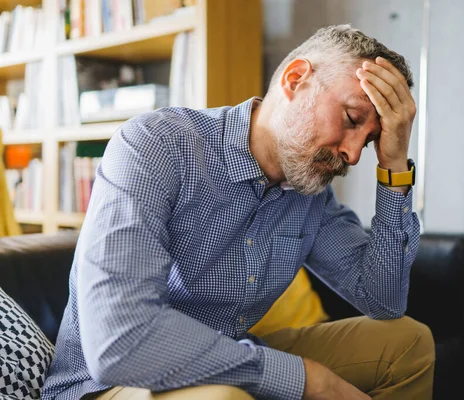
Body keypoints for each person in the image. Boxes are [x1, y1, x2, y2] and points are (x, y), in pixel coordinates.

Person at [42, 25, 434, 400]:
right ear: (296, 79)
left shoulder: (309, 193)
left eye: (368, 142)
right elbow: (118, 341)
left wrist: (395, 163)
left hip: (228, 358)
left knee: (407, 342)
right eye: (351, 119)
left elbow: (384, 301)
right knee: (223, 396)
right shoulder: (157, 146)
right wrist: (305, 380)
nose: (351, 153)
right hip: (109, 384)